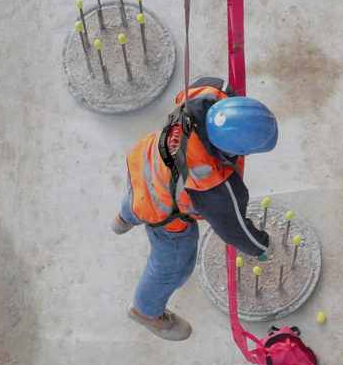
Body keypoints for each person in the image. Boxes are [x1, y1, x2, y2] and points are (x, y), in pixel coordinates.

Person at [113, 76, 278, 340]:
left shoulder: (207, 97)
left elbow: (217, 85)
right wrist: (259, 245)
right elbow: (234, 230)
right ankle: (145, 311)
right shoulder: (214, 187)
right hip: (167, 218)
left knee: (139, 196)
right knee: (173, 266)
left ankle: (124, 217)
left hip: (144, 163)